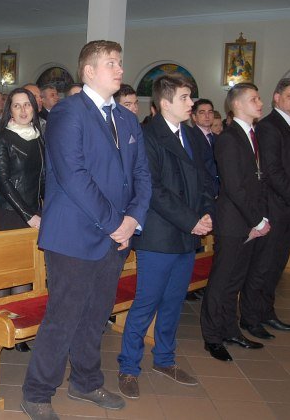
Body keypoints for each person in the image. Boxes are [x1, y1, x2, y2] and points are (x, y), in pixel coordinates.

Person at [21, 40, 151, 418]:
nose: (120, 69)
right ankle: (37, 392)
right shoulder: (68, 112)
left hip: (116, 236)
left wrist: (133, 219)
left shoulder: (126, 118)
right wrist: (115, 223)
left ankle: (86, 382)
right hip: (74, 234)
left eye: (120, 62)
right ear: (89, 71)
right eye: (111, 63)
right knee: (64, 316)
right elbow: (73, 176)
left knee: (96, 315)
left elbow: (142, 174)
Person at [117, 74, 213, 400]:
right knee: (147, 302)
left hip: (187, 234)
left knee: (173, 302)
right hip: (159, 235)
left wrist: (206, 213)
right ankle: (129, 367)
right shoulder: (147, 136)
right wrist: (191, 220)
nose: (192, 103)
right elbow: (154, 189)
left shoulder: (192, 135)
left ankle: (165, 360)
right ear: (165, 102)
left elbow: (205, 180)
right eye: (185, 97)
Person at [240, 79, 290, 340]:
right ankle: (250, 318)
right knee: (262, 265)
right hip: (275, 208)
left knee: (276, 266)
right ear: (276, 97)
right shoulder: (269, 127)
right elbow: (272, 170)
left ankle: (266, 312)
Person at [200, 83, 271, 363]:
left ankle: (230, 329)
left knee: (235, 282)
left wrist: (262, 217)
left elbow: (258, 180)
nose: (260, 103)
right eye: (254, 99)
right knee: (221, 281)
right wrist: (257, 219)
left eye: (259, 98)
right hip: (233, 221)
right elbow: (233, 186)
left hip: (249, 220)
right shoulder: (229, 138)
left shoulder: (253, 135)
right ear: (237, 105)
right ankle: (212, 337)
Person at [0, 87, 45, 231]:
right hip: (11, 212)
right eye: (17, 106)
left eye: (27, 104)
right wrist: (28, 215)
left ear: (33, 108)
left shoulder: (38, 137)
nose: (23, 110)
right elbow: (3, 182)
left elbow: (43, 177)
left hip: (36, 211)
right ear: (10, 111)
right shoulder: (2, 139)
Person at [191, 98, 220, 197]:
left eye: (210, 112)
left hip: (221, 192)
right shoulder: (190, 138)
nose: (207, 116)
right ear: (194, 117)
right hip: (203, 192)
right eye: (202, 112)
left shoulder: (219, 138)